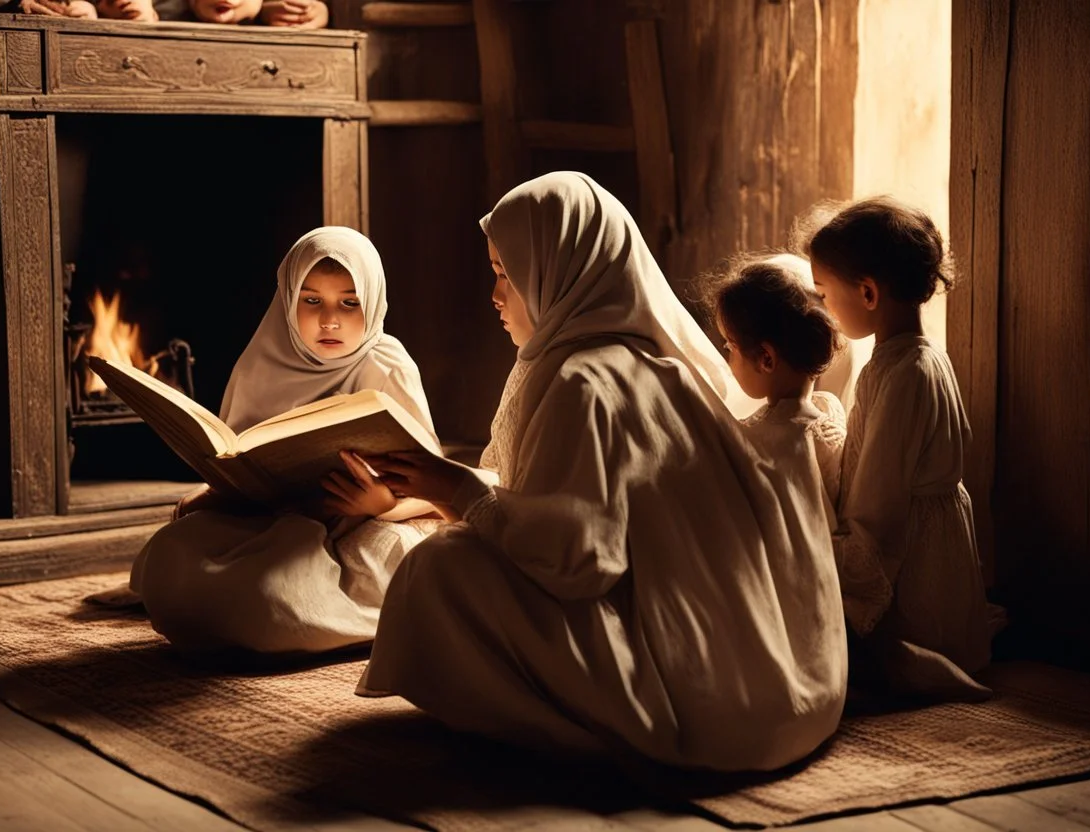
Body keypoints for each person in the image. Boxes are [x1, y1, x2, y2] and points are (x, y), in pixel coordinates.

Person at [356, 172, 847, 772]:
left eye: (507, 273)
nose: (495, 294)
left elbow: (579, 559)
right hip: (782, 690)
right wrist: (448, 487)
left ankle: (585, 737)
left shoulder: (583, 381)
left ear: (560, 272)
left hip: (707, 709)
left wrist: (456, 491)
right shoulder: (660, 366)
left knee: (437, 567)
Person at [129, 226, 442, 654]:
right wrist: (211, 495)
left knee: (273, 594)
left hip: (359, 528)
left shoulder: (388, 366)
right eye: (311, 300)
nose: (329, 320)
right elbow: (236, 461)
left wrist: (382, 505)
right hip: (264, 519)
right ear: (287, 297)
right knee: (169, 559)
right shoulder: (262, 360)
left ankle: (292, 615)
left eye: (349, 303)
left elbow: (435, 483)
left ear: (372, 301)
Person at [807, 195, 992, 699]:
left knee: (875, 660)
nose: (822, 307)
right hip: (923, 532)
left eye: (824, 294)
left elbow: (880, 502)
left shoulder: (908, 372)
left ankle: (931, 668)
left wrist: (851, 583)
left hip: (914, 552)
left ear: (867, 293)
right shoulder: (906, 358)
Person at [704, 253, 846, 514]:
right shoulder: (830, 411)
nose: (727, 358)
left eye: (730, 347)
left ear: (766, 359)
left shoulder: (755, 439)